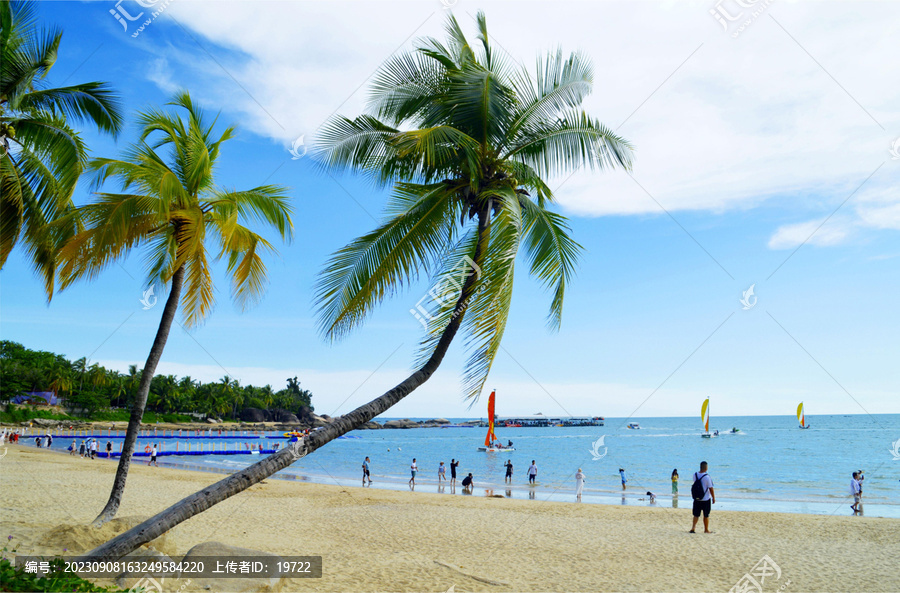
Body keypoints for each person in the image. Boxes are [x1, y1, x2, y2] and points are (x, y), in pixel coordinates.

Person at [689, 461, 715, 534]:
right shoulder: (707, 477)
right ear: (706, 468)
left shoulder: (695, 475)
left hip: (697, 498)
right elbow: (711, 488)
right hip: (706, 498)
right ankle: (706, 529)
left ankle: (693, 527)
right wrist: (713, 497)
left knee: (696, 514)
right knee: (706, 515)